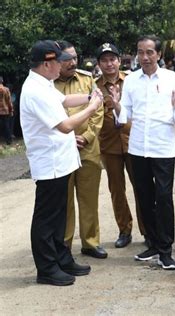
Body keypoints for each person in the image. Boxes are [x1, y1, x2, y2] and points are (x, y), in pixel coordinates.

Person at [20, 40, 103, 286]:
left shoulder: (44, 84)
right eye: (60, 61)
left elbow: (65, 101)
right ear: (47, 64)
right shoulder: (34, 90)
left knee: (59, 217)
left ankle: (61, 258)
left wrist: (90, 95)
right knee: (47, 218)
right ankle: (46, 268)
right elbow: (65, 125)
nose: (65, 65)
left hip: (61, 162)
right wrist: (94, 106)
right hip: (50, 165)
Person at [113, 35, 175, 270]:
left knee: (163, 198)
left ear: (159, 55)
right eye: (140, 52)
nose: (144, 57)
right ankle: (154, 243)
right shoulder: (132, 81)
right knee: (144, 197)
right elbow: (124, 115)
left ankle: (166, 250)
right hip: (138, 148)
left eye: (149, 52)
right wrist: (116, 105)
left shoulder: (171, 78)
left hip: (162, 148)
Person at [54, 41, 107, 259]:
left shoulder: (87, 80)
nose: (73, 62)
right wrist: (65, 138)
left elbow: (98, 110)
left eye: (75, 57)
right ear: (56, 61)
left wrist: (86, 137)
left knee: (89, 199)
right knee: (62, 201)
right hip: (61, 150)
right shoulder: (48, 84)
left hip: (87, 149)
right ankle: (63, 244)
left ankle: (90, 243)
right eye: (67, 59)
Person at [95, 42, 146, 248]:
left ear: (119, 60)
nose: (109, 64)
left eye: (112, 59)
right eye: (104, 60)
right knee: (117, 190)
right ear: (99, 64)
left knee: (141, 188)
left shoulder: (132, 81)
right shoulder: (94, 87)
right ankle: (124, 230)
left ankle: (147, 230)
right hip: (109, 146)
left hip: (133, 141)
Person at [0, 76, 14, 145]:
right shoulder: (6, 89)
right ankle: (9, 140)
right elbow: (9, 101)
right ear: (2, 81)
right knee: (6, 126)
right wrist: (11, 110)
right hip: (5, 111)